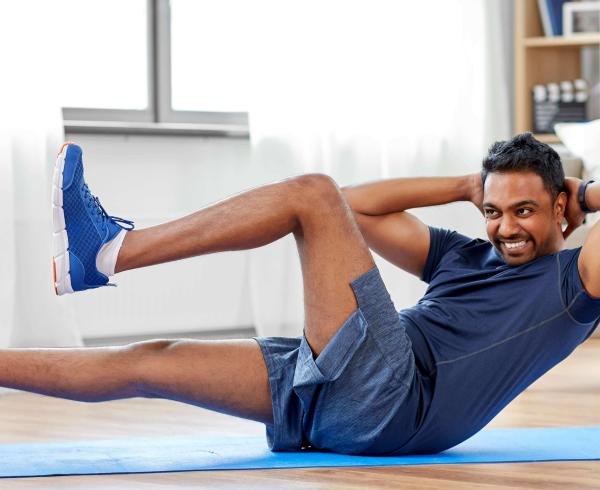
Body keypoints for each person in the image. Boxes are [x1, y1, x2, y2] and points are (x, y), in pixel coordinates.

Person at [9, 133, 600, 455]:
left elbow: (322, 201)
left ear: (558, 206)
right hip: (338, 399)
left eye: (524, 210)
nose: (505, 227)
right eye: (493, 211)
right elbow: (354, 205)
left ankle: (110, 252)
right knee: (148, 362)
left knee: (309, 192)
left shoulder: (573, 283)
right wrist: (464, 185)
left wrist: (590, 196)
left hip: (395, 395)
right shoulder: (462, 256)